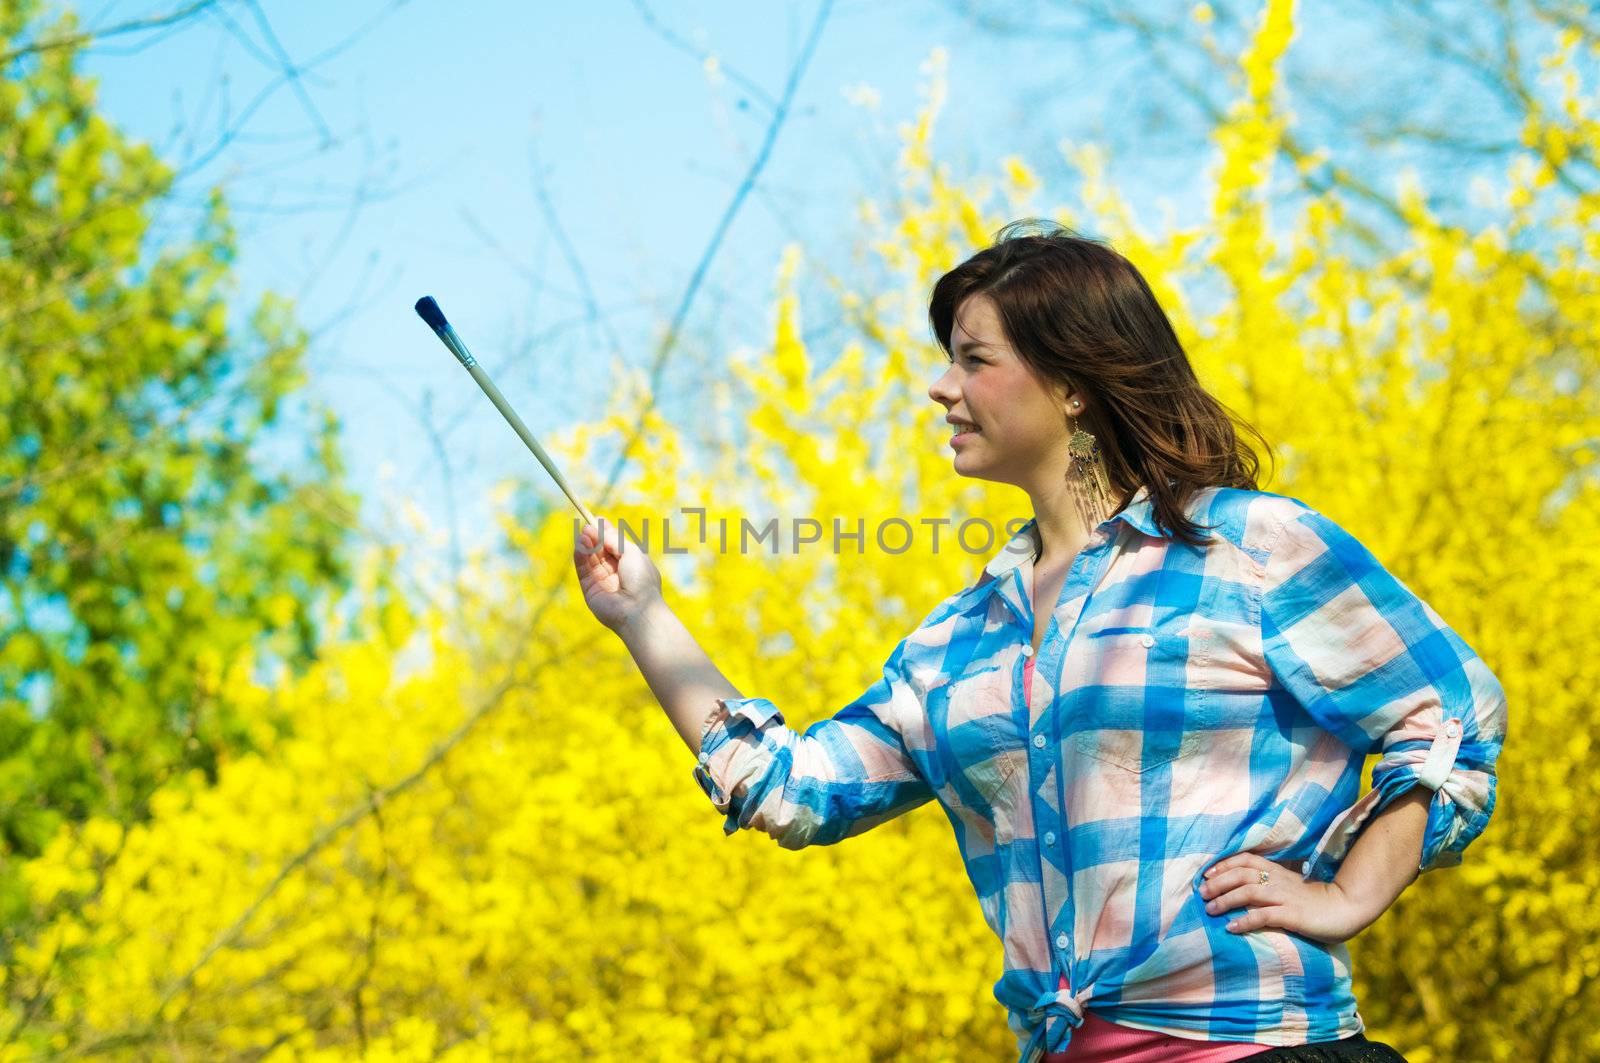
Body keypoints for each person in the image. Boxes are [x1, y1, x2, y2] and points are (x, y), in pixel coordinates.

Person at [571, 220, 1507, 1063]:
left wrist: (1351, 894)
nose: (941, 387)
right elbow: (796, 793)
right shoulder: (960, 642)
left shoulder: (1246, 549)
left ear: (1069, 385)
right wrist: (644, 616)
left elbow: (1453, 713)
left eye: (974, 359)